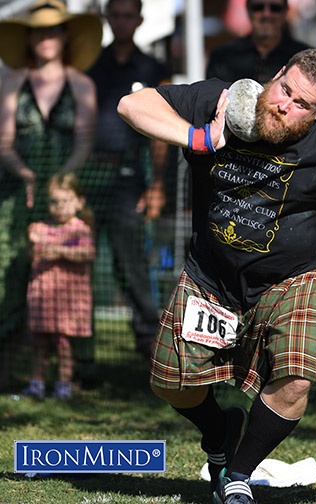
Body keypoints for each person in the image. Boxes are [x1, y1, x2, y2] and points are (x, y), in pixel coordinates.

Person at [118, 48, 316, 504]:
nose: (284, 104)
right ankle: (221, 430)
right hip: (212, 276)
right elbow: (132, 105)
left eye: (301, 104)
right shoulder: (227, 103)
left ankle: (237, 473)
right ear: (275, 76)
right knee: (169, 382)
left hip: (296, 280)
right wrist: (197, 138)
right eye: (284, 89)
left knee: (296, 375)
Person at [0, 0, 101, 389]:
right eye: (38, 30)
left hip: (66, 194)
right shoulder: (11, 82)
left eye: (53, 29)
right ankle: (9, 368)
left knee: (70, 280)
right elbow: (4, 142)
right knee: (11, 276)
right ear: (28, 36)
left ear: (65, 36)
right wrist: (24, 173)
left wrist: (62, 180)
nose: (45, 37)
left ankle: (76, 373)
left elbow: (84, 141)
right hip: (15, 197)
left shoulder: (82, 85)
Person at [84, 0, 171, 358]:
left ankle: (148, 351)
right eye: (115, 14)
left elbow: (161, 134)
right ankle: (79, 356)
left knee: (131, 263)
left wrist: (157, 185)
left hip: (128, 177)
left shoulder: (153, 68)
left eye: (127, 15)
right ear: (107, 18)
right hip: (86, 176)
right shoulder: (89, 63)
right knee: (80, 265)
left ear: (139, 19)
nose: (121, 21)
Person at [23, 172, 96, 400]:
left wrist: (61, 251)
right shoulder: (40, 228)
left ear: (78, 202)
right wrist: (32, 248)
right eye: (55, 202)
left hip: (67, 300)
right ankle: (37, 385)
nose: (60, 207)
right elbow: (29, 255)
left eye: (65, 201)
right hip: (43, 296)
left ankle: (63, 386)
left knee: (63, 344)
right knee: (40, 343)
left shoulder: (80, 229)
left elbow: (88, 252)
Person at [206, 0, 310, 84]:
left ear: (285, 11)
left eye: (275, 8)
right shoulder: (221, 56)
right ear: (248, 10)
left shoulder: (305, 58)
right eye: (258, 7)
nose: (266, 14)